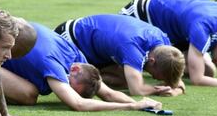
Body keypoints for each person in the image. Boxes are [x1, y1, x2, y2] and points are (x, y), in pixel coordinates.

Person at [0, 22, 162, 111]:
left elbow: (108, 93)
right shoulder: (55, 66)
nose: (64, 88)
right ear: (75, 70)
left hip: (11, 31)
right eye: (69, 85)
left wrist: (143, 104)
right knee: (29, 95)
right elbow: (78, 104)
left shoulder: (79, 58)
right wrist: (132, 106)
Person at [54, 14, 186, 96]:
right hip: (69, 40)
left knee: (126, 78)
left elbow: (175, 80)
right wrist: (159, 90)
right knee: (127, 80)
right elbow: (137, 90)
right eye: (158, 76)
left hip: (97, 48)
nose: (157, 79)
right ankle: (89, 78)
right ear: (152, 61)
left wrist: (175, 90)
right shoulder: (132, 48)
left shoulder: (164, 46)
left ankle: (96, 76)